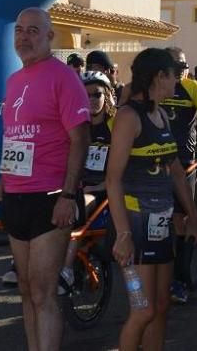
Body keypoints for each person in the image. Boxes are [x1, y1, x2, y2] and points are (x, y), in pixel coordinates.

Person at [1, 7, 91, 351]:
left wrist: (68, 195)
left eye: (33, 30)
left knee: (43, 291)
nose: (24, 37)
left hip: (51, 196)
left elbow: (80, 138)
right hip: (16, 194)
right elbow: (15, 136)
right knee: (26, 289)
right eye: (20, 30)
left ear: (50, 36)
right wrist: (2, 179)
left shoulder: (63, 77)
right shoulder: (14, 80)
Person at [107, 48, 197, 351]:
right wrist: (122, 234)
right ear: (159, 77)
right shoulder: (128, 116)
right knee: (143, 310)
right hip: (135, 226)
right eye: (174, 74)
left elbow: (176, 172)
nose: (178, 80)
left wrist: (194, 218)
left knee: (161, 307)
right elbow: (113, 179)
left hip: (160, 223)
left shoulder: (160, 113)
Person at [161, 47, 197, 304]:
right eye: (177, 65)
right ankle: (165, 275)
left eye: (185, 65)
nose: (183, 70)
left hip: (185, 164)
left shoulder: (193, 88)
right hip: (156, 162)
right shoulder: (156, 86)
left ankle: (179, 278)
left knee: (181, 222)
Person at [60, 70, 116, 294]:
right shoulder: (77, 125)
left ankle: (66, 270)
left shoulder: (116, 126)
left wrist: (101, 186)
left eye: (97, 94)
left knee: (74, 207)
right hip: (77, 187)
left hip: (102, 190)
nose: (92, 99)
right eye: (86, 95)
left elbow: (124, 167)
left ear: (108, 96)